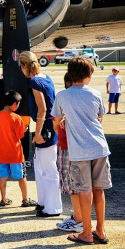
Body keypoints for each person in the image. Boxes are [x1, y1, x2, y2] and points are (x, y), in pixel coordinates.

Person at [52, 56, 111, 245]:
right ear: (88, 75)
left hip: (79, 151)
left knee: (84, 191)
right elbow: (100, 118)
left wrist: (64, 124)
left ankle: (86, 232)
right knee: (99, 189)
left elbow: (56, 123)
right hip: (100, 147)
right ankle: (100, 231)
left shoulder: (63, 95)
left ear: (70, 74)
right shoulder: (95, 94)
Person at [19, 50, 62, 218]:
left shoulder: (34, 82)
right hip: (50, 126)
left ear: (23, 66)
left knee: (48, 169)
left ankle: (53, 208)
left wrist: (37, 134)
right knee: (41, 167)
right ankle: (44, 202)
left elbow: (43, 108)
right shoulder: (45, 78)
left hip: (45, 128)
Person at [0, 90, 33, 207]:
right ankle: (25, 199)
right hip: (15, 154)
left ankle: (3, 199)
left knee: (2, 176)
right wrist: (24, 129)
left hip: (0, 153)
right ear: (14, 104)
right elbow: (20, 135)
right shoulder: (16, 118)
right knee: (21, 176)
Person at [54, 72, 84, 234]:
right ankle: (80, 218)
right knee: (82, 184)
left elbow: (56, 125)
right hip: (82, 147)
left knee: (71, 185)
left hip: (66, 147)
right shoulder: (87, 97)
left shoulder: (63, 99)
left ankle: (79, 220)